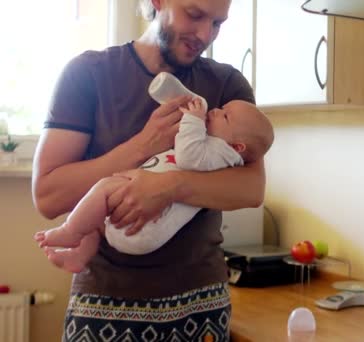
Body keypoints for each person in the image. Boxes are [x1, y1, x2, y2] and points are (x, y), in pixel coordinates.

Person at [31, 0, 265, 340]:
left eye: (217, 23)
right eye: (195, 14)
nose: (205, 34)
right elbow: (48, 196)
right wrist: (142, 146)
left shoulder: (228, 87)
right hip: (104, 304)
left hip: (201, 305)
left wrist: (168, 187)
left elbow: (251, 190)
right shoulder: (88, 74)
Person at [34, 96, 273, 273]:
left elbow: (188, 155)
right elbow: (46, 197)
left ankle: (71, 230)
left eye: (225, 115)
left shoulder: (221, 153)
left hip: (146, 229)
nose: (216, 110)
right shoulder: (221, 151)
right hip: (139, 233)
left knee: (105, 187)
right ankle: (81, 254)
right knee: (98, 220)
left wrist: (193, 120)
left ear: (238, 147)